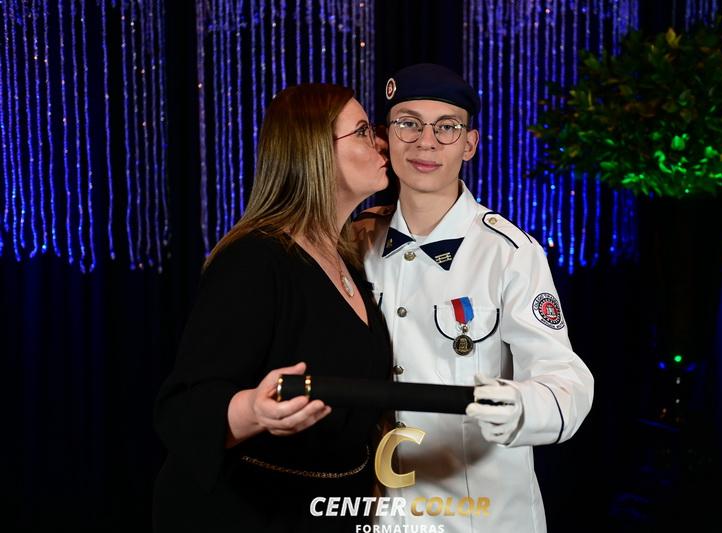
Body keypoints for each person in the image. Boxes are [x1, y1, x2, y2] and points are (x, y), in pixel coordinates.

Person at [354, 63, 594, 533]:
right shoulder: (354, 241)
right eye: (408, 123)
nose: (426, 142)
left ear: (469, 144)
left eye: (446, 128)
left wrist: (520, 406)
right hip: (381, 517)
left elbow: (567, 381)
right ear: (385, 138)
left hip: (481, 519)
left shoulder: (510, 253)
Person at [153, 83, 391, 532]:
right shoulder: (255, 259)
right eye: (362, 131)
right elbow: (184, 405)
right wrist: (253, 411)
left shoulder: (351, 258)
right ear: (314, 152)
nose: (381, 142)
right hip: (246, 514)